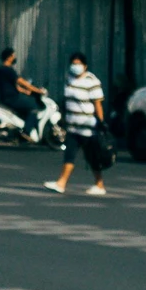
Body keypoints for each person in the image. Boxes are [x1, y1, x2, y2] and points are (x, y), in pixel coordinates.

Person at [45, 52, 113, 196]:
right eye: (73, 63)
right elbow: (67, 100)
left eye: (78, 64)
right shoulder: (69, 79)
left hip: (88, 126)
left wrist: (101, 122)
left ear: (85, 65)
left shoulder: (92, 81)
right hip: (73, 126)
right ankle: (62, 183)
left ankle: (99, 184)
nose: (76, 66)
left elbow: (98, 104)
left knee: (92, 156)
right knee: (70, 153)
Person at [0, 47, 44, 131]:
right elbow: (21, 82)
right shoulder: (7, 70)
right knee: (33, 108)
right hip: (11, 98)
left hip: (9, 98)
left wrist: (26, 92)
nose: (14, 57)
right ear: (9, 57)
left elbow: (15, 87)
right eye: (13, 56)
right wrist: (38, 90)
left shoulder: (3, 69)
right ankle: (26, 132)